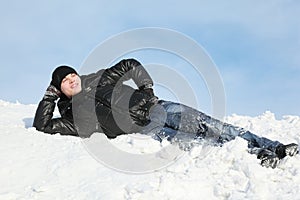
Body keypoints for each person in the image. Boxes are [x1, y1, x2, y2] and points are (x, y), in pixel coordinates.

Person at [33, 58, 298, 168]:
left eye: (71, 74)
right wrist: (48, 97)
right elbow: (43, 125)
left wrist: (146, 89)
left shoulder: (98, 78)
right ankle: (258, 157)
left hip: (158, 108)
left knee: (215, 127)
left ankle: (274, 147)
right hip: (146, 131)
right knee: (201, 143)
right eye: (65, 81)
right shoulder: (73, 118)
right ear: (59, 90)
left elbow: (130, 65)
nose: (71, 79)